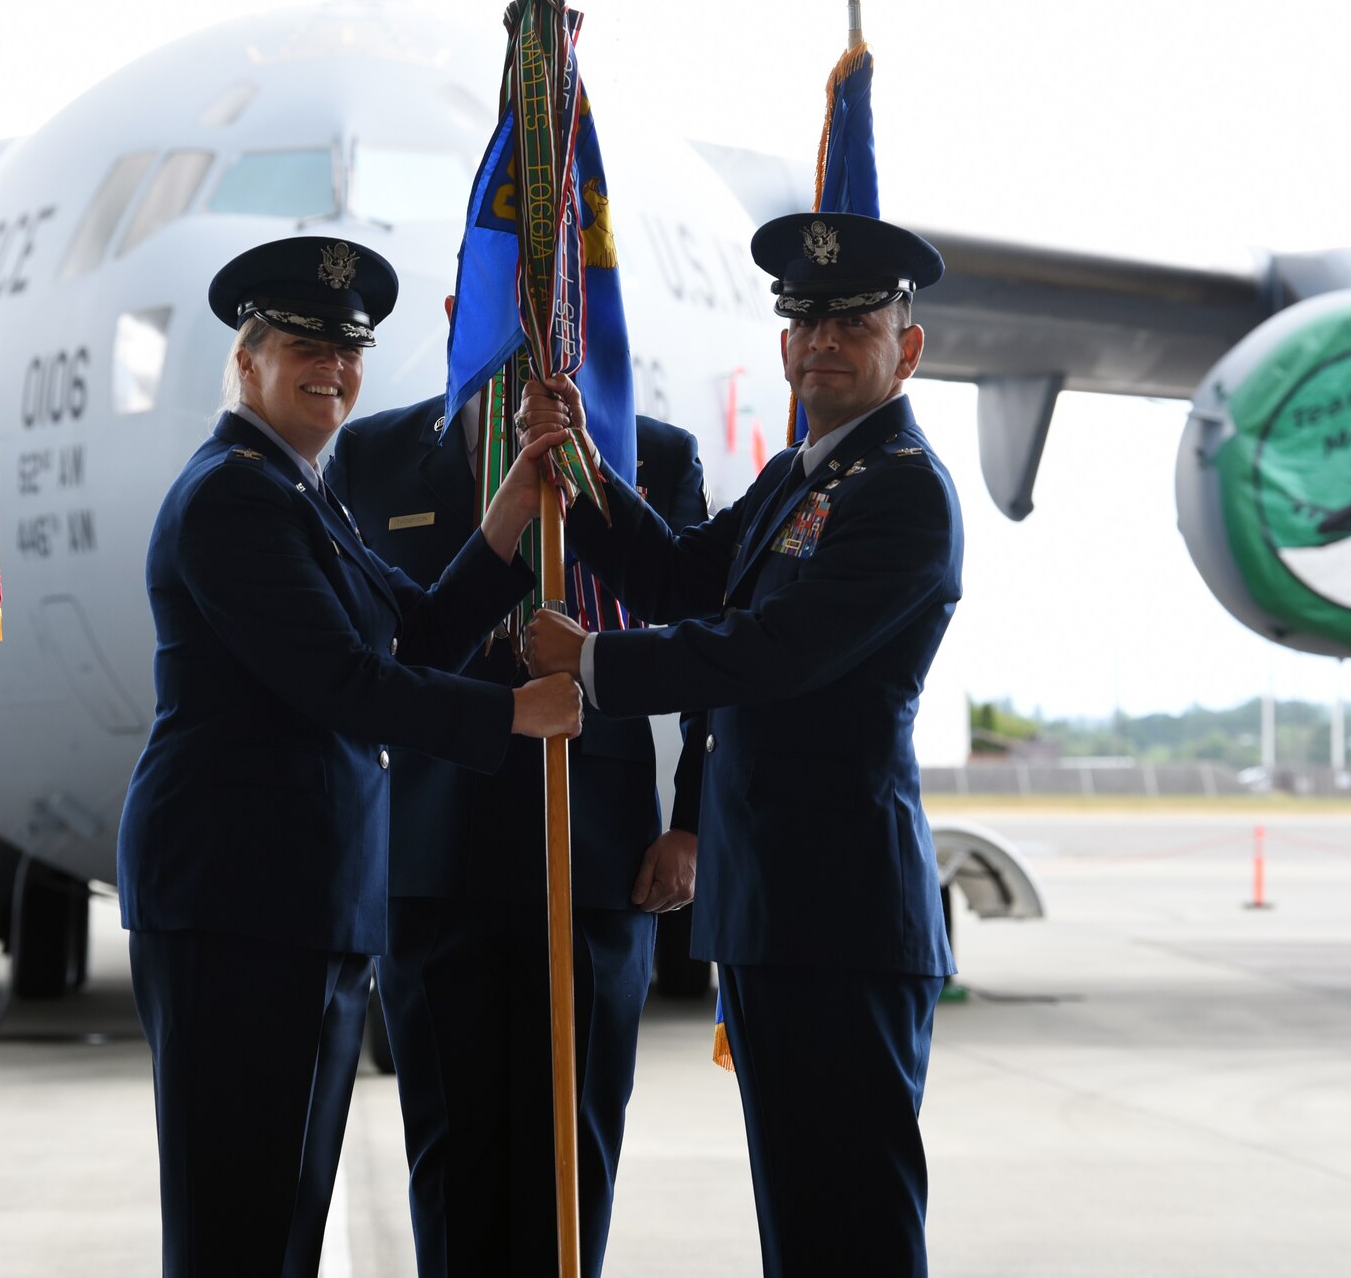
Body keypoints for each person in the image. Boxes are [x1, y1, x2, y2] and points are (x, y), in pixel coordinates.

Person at [116, 236, 584, 1278]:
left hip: (302, 902)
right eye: (300, 346)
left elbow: (411, 637)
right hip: (237, 902)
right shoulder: (233, 497)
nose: (330, 367)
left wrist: (508, 509)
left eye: (347, 348)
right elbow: (341, 682)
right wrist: (513, 715)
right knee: (237, 1219)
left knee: (283, 1209)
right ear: (246, 360)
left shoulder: (301, 493)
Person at [518, 212, 962, 1277]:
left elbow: (772, 650)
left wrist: (591, 667)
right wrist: (574, 466)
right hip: (772, 910)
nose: (821, 338)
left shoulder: (899, 490)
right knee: (802, 1216)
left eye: (851, 319)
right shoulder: (802, 475)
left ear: (906, 346)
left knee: (850, 1218)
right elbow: (683, 575)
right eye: (803, 318)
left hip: (841, 915)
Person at [327, 378, 709, 1277]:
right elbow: (365, 656)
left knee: (573, 1168)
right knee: (454, 1168)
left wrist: (691, 821)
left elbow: (709, 650)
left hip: (599, 863)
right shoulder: (372, 454)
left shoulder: (653, 454)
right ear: (464, 312)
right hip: (431, 855)